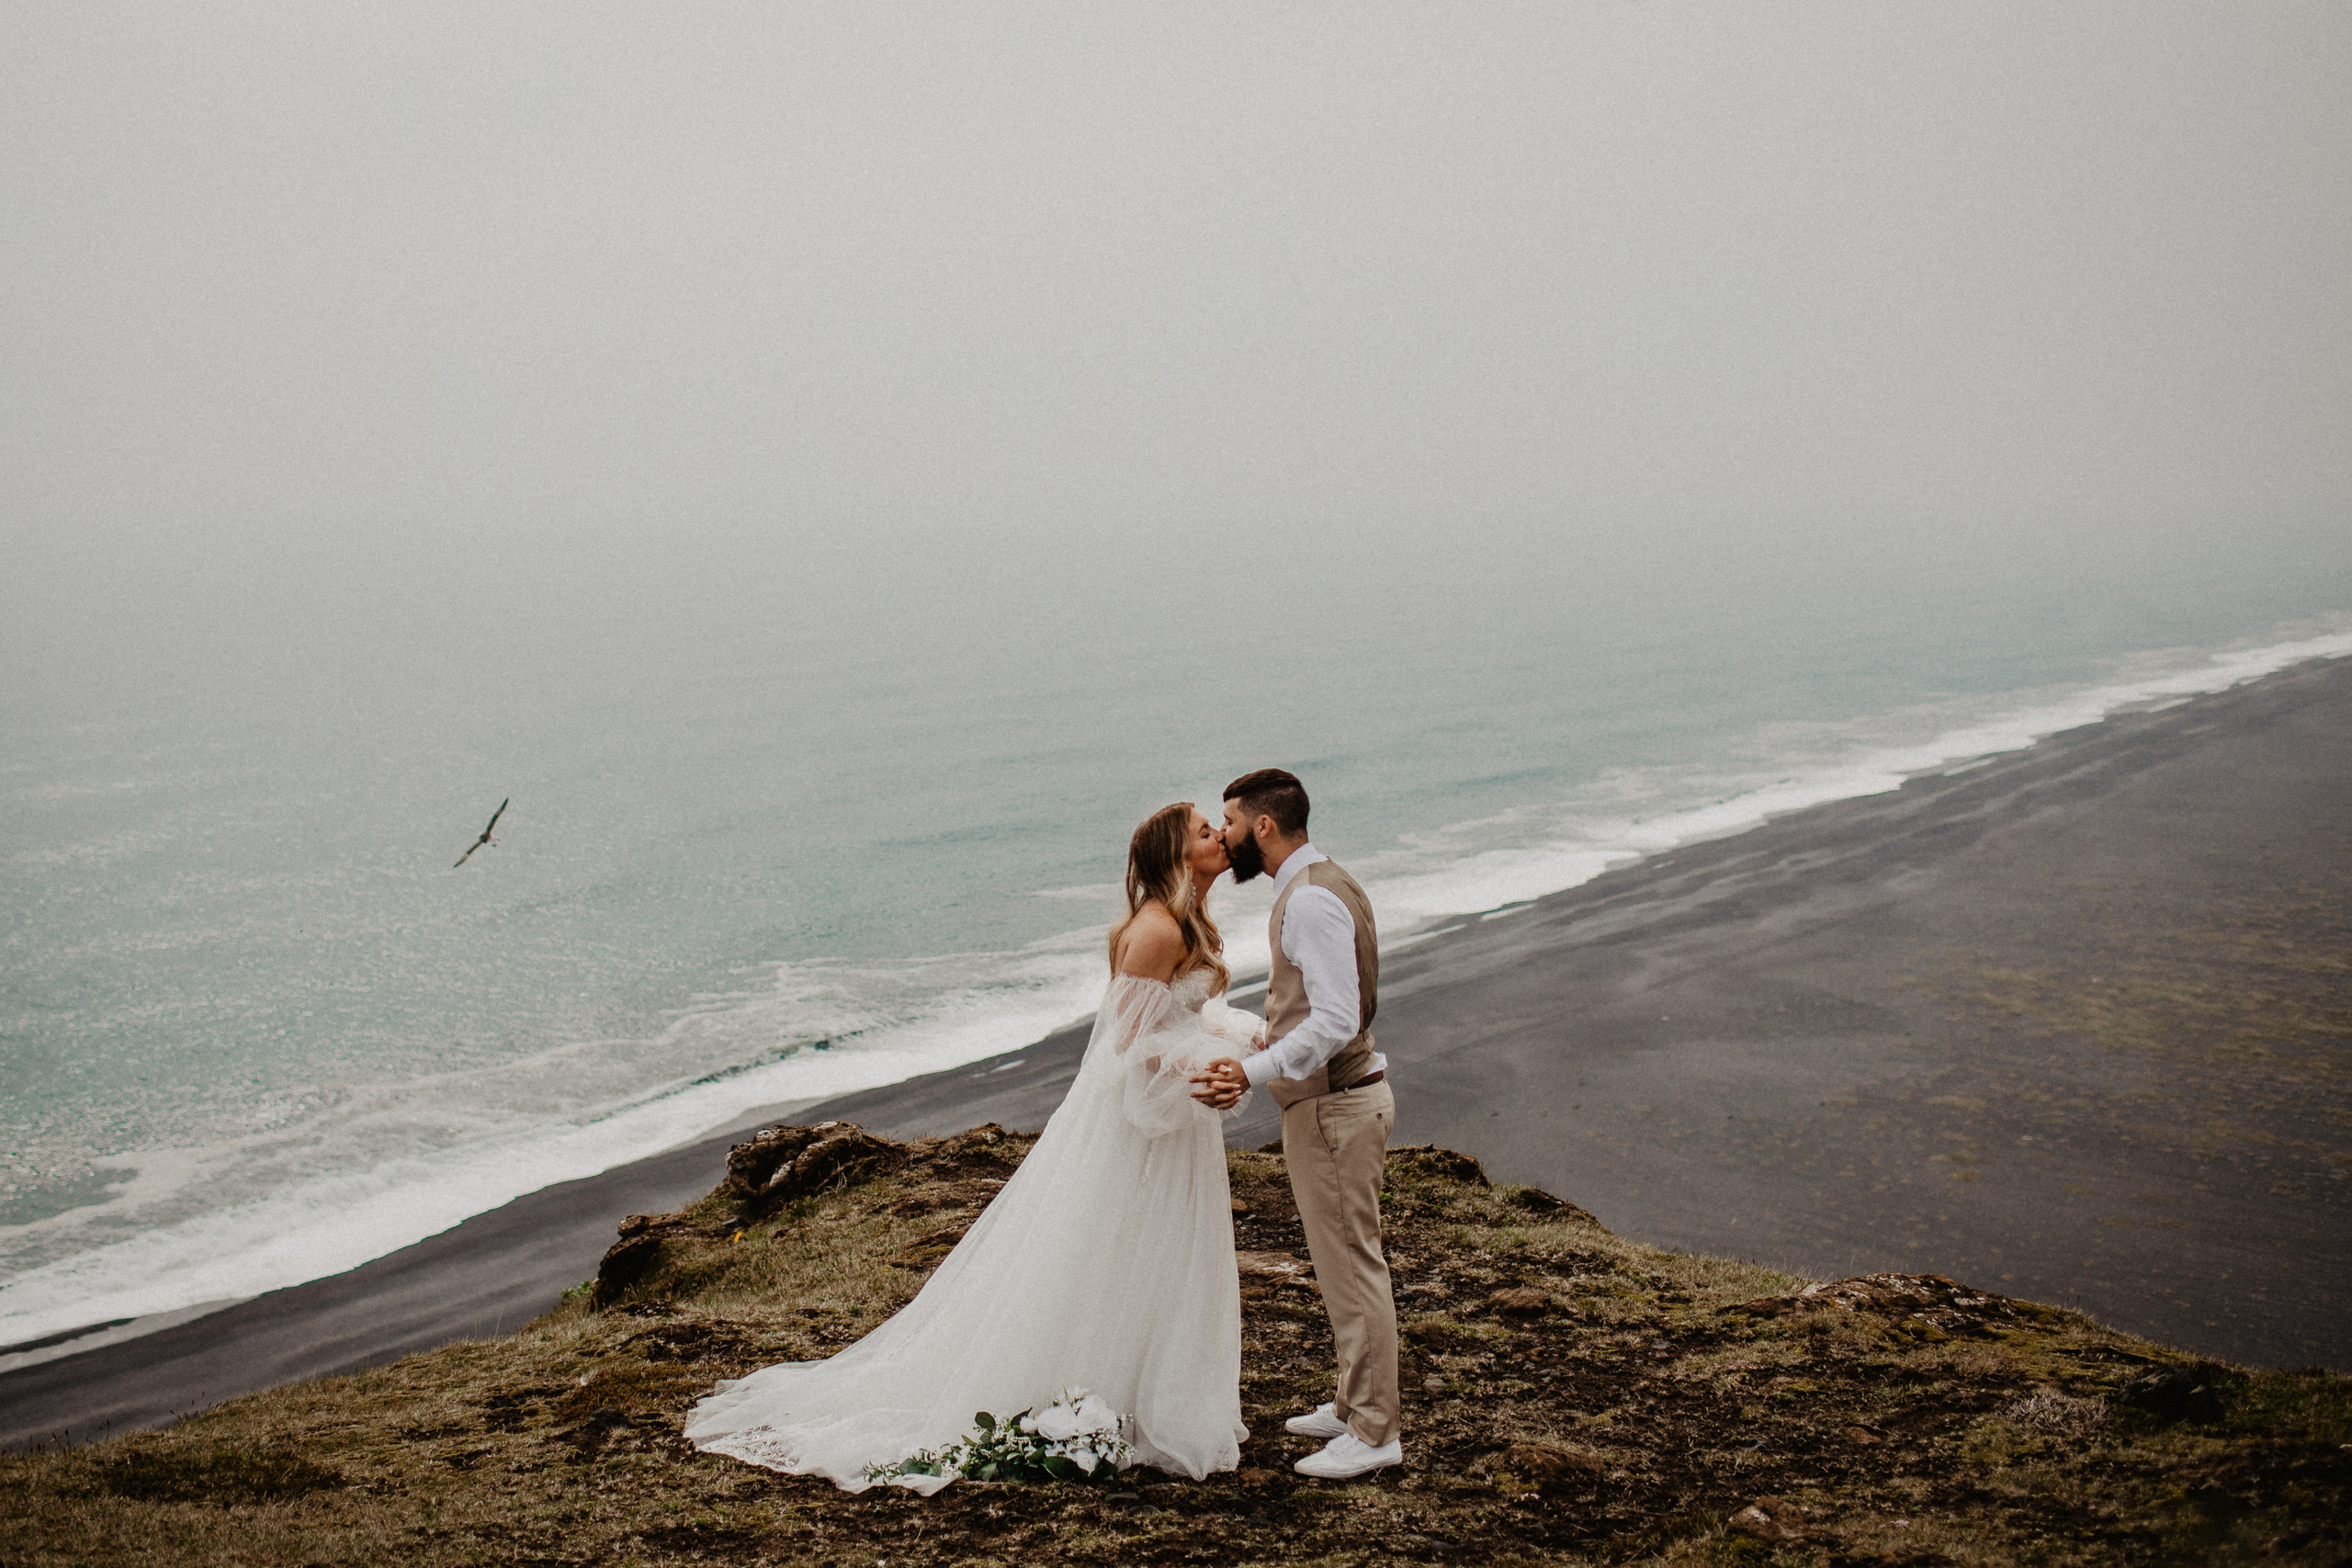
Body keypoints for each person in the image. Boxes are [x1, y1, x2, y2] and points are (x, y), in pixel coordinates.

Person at [684, 803, 1259, 1492]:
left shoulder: (1187, 919)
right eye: (1204, 831)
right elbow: (1130, 1044)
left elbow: (1177, 1012)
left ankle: (1142, 1382)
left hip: (1176, 1122)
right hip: (1135, 1125)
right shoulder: (1157, 928)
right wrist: (1206, 1059)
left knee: (1159, 1247)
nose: (1220, 836)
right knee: (1116, 1243)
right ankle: (1098, 1384)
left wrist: (1233, 1036)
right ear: (1175, 858)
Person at [1191, 768, 1402, 1480]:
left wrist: (1249, 1072)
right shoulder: (1322, 882)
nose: (1223, 834)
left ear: (1264, 827)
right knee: (1343, 1262)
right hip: (1339, 1100)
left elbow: (1337, 1020)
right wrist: (1262, 1043)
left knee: (1353, 1267)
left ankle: (1375, 1433)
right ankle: (1352, 1404)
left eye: (1229, 821)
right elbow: (1314, 1010)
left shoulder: (1307, 903)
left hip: (1337, 1106)